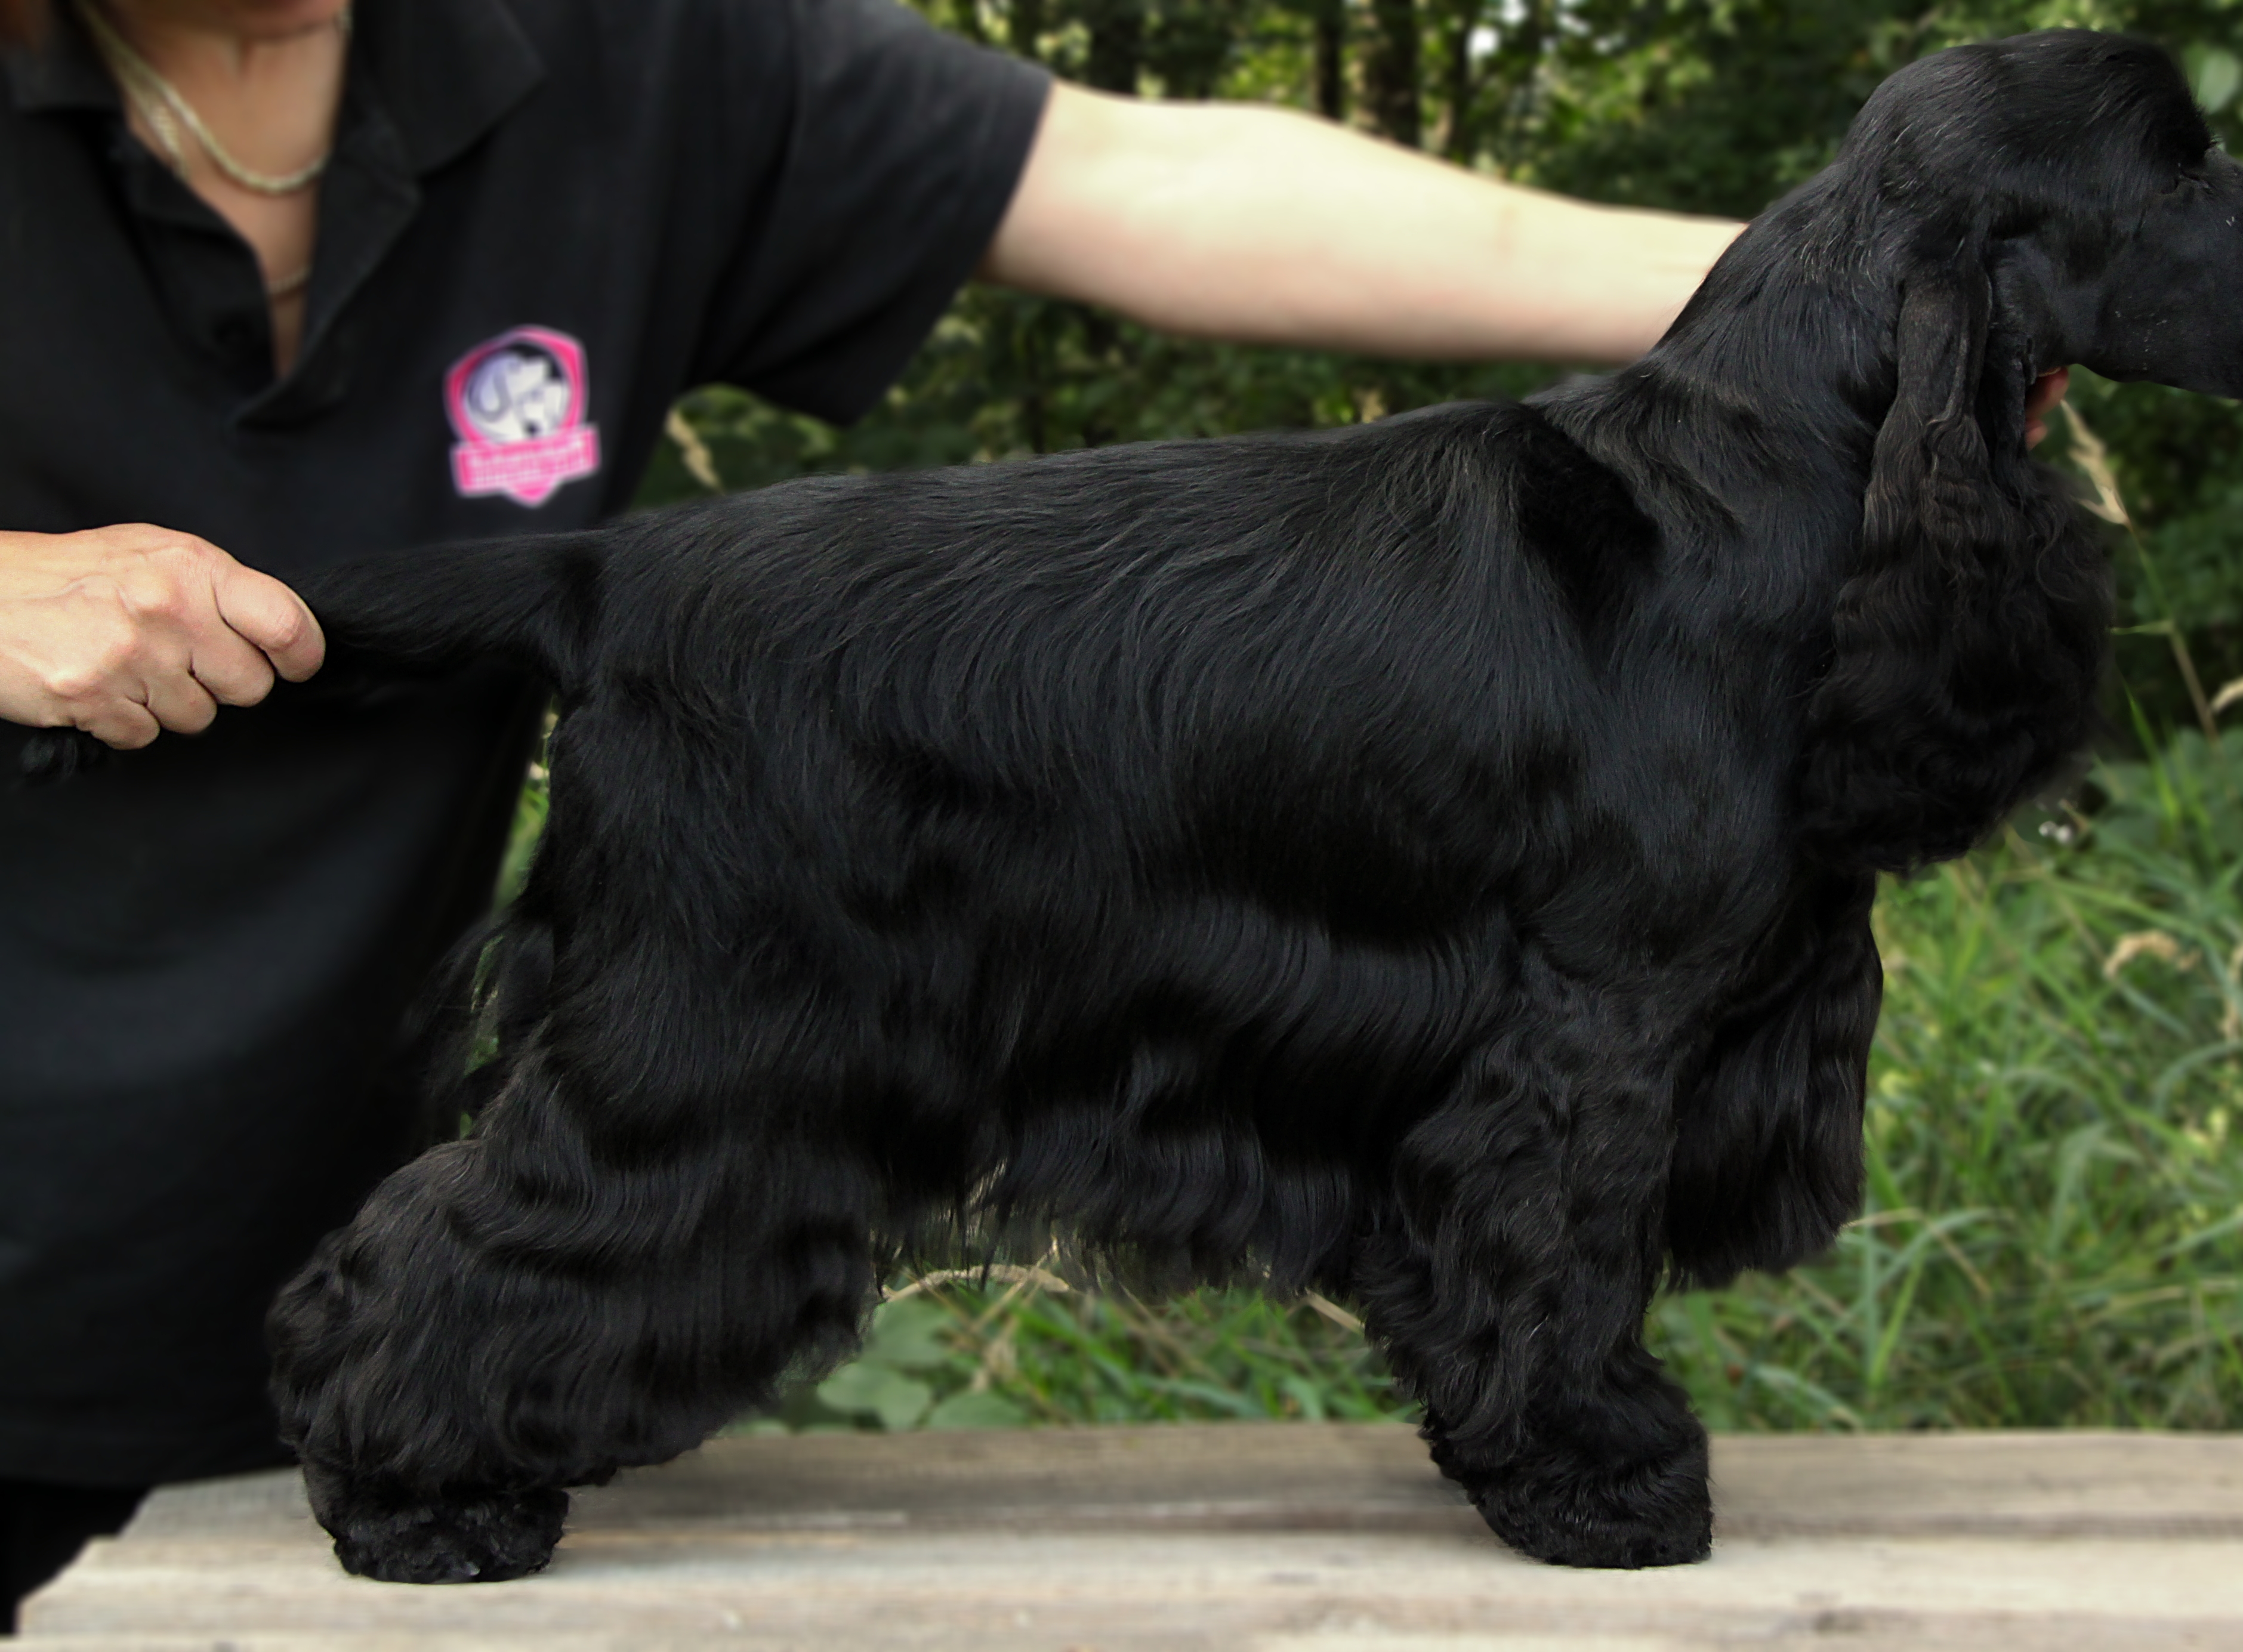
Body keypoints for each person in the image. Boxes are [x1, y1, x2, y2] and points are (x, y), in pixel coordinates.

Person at [0, 0, 2069, 1626]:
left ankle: (443, 1360)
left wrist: (1846, 298)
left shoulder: (621, 47)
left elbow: (1154, 180)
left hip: (288, 1301)